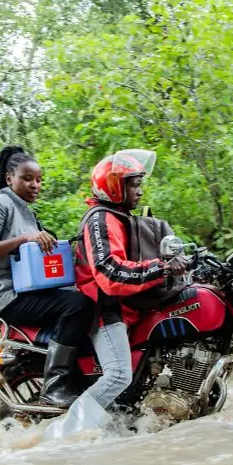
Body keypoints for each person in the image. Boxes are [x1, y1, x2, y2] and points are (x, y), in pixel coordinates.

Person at [0, 145, 94, 407]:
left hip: (31, 291)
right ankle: (54, 385)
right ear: (9, 179)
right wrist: (25, 238)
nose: (35, 185)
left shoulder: (27, 210)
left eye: (38, 180)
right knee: (78, 306)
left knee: (87, 298)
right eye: (27, 179)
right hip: (8, 296)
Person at [75, 150, 186, 409]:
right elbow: (110, 273)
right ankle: (65, 434)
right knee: (118, 376)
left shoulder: (120, 217)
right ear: (114, 187)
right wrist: (163, 268)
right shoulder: (100, 219)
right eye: (134, 185)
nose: (140, 191)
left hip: (126, 306)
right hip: (105, 309)